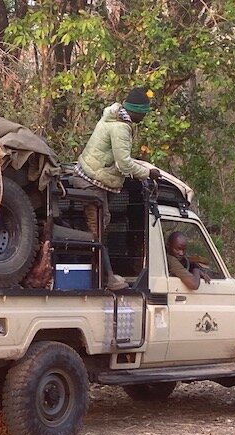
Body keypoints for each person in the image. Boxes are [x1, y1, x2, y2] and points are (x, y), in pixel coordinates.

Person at [73, 86, 161, 290]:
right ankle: (107, 278)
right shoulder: (121, 128)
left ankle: (104, 276)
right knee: (98, 234)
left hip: (90, 176)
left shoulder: (112, 118)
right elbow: (124, 164)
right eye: (144, 113)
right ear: (136, 110)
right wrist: (149, 173)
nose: (144, 118)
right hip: (92, 181)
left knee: (100, 228)